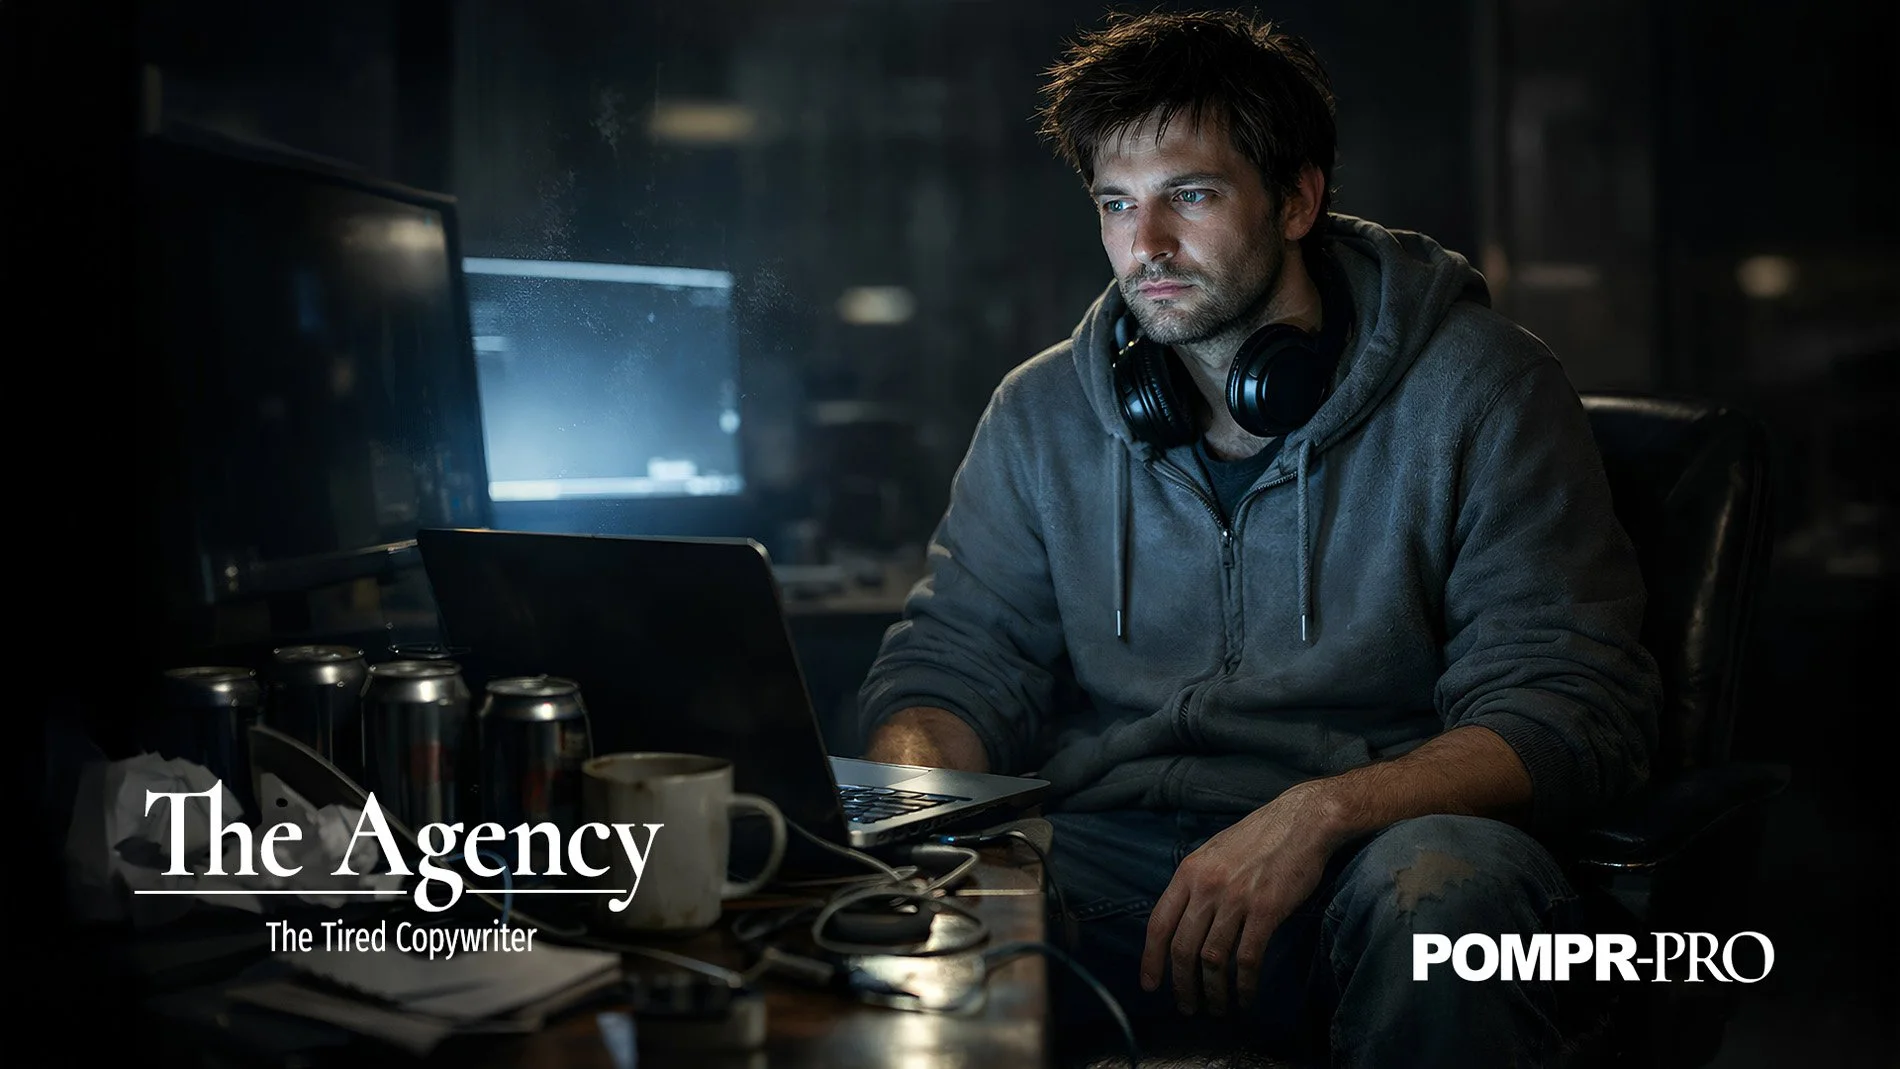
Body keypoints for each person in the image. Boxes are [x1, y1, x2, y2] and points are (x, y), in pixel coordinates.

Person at [857, 9, 1661, 1068]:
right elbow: (956, 663)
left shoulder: (1484, 391)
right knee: (891, 936)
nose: (1144, 247)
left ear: (1297, 200)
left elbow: (1573, 705)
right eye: (1115, 205)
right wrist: (914, 821)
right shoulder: (1039, 412)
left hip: (1380, 851)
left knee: (1444, 903)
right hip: (1115, 857)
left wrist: (1317, 813)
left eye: (1188, 196)